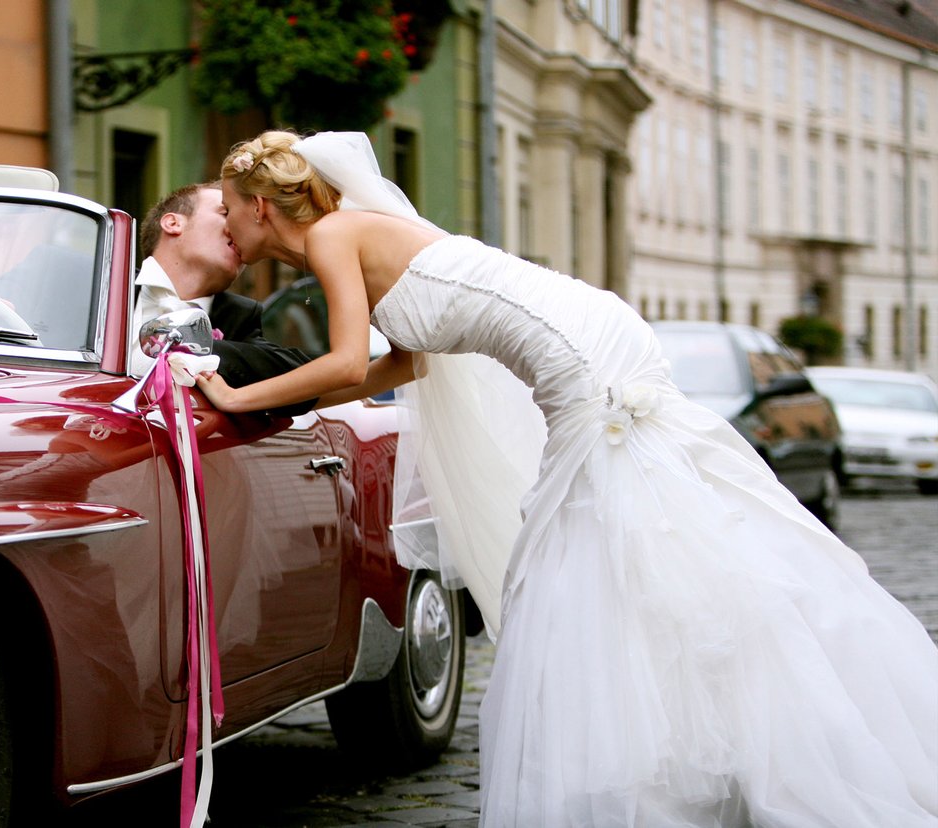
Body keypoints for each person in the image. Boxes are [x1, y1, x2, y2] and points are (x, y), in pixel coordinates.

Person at [191, 130, 938, 827]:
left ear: (262, 206)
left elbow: (349, 360)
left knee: (587, 555)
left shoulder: (331, 234)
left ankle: (701, 748)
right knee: (633, 549)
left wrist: (235, 396)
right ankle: (702, 733)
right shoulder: (352, 235)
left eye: (229, 209)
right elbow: (408, 361)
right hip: (594, 332)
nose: (227, 224)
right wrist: (281, 407)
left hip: (583, 364)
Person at [131, 182, 316, 414]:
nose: (240, 228)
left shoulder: (239, 319)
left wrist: (197, 350)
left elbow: (305, 384)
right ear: (173, 223)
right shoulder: (101, 288)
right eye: (226, 212)